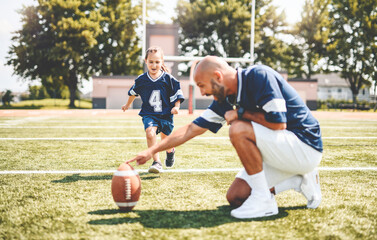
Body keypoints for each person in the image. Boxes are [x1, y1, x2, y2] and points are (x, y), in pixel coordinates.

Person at [127, 56, 323, 219]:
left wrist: (240, 114)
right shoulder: (225, 98)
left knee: (238, 128)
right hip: (283, 151)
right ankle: (301, 180)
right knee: (236, 197)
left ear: (218, 77)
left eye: (202, 85)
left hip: (305, 146)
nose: (202, 92)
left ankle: (265, 202)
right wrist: (152, 150)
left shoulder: (259, 76)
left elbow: (278, 123)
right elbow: (190, 130)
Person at [122, 46, 184, 173]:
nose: (154, 65)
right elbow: (133, 93)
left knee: (166, 141)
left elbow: (177, 93)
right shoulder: (141, 79)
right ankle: (157, 162)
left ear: (162, 62)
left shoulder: (168, 79)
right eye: (151, 62)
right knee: (150, 133)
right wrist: (127, 105)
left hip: (166, 114)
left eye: (157, 62)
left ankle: (170, 151)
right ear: (146, 61)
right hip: (149, 113)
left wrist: (176, 107)